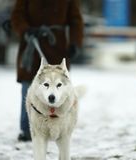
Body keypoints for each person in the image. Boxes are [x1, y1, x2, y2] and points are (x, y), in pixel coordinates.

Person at [11, 0, 84, 141]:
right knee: (28, 87)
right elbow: (17, 16)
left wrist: (75, 42)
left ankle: (58, 130)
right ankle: (27, 130)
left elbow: (76, 21)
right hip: (31, 46)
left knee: (59, 90)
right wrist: (25, 30)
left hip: (58, 47)